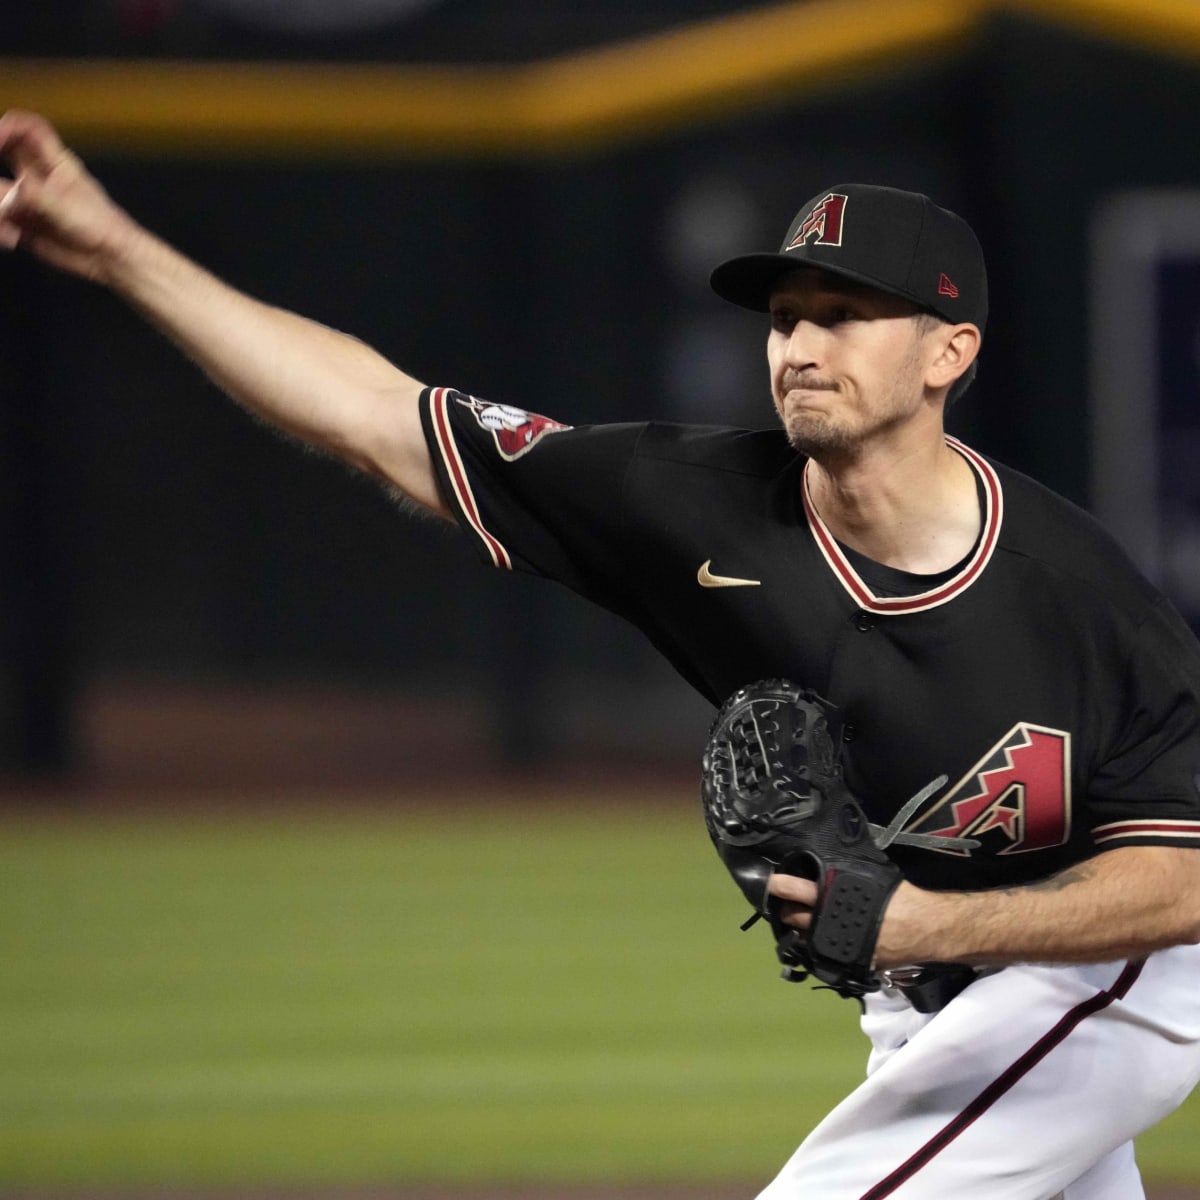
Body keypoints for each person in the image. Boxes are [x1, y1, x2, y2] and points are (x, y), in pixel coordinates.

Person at [4, 108, 1200, 1199]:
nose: (798, 345)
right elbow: (377, 415)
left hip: (1116, 971)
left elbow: (1188, 886)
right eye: (784, 317)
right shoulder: (682, 502)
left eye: (844, 315)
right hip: (931, 999)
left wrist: (928, 927)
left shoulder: (1081, 600)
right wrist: (112, 246)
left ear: (949, 354)